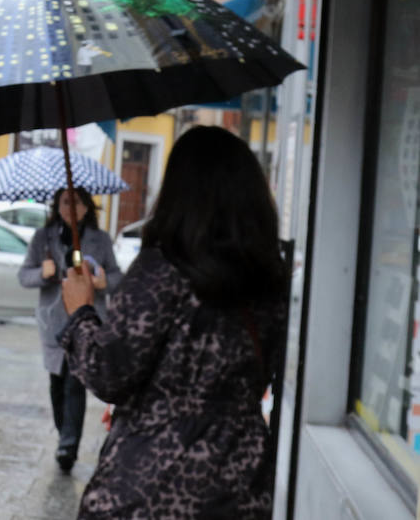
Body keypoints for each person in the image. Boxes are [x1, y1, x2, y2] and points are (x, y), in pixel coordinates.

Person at [59, 126, 288, 519]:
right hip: (242, 485)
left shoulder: (161, 271)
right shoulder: (270, 280)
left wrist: (81, 312)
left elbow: (109, 373)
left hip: (152, 484)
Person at [17, 185, 122, 472]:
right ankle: (65, 433)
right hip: (53, 322)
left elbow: (116, 276)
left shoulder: (99, 240)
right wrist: (43, 272)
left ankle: (68, 445)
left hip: (86, 321)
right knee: (57, 386)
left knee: (75, 383)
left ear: (87, 206)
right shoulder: (43, 238)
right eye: (65, 202)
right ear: (56, 206)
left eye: (76, 202)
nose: (70, 208)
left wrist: (103, 282)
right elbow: (24, 276)